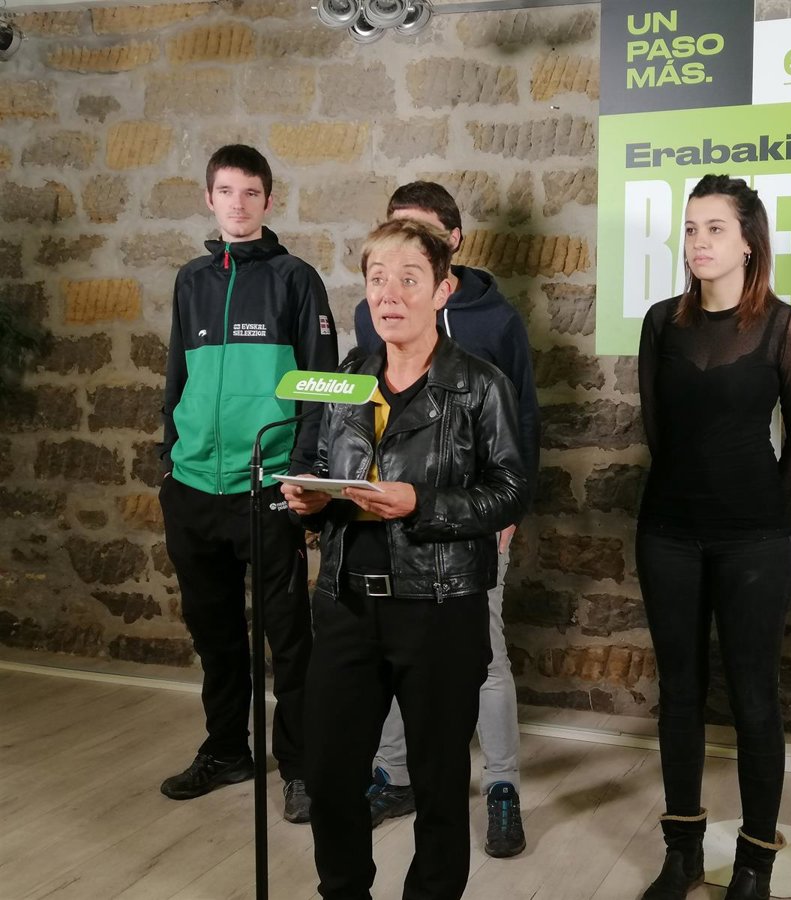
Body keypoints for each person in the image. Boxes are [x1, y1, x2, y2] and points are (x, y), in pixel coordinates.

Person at [283, 218, 529, 900]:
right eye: (377, 279)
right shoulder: (344, 380)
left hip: (440, 608)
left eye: (408, 279)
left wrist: (421, 502)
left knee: (439, 782)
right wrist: (310, 497)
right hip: (346, 603)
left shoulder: (480, 385)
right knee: (332, 773)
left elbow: (511, 490)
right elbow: (320, 464)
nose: (389, 294)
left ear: (443, 289)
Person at [636, 174, 791, 900]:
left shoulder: (783, 325)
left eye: (714, 228)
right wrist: (695, 498)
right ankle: (681, 853)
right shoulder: (661, 322)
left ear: (749, 243)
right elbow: (659, 431)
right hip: (668, 532)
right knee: (679, 693)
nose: (698, 241)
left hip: (756, 541)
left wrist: (760, 504)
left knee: (754, 699)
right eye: (690, 228)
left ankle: (754, 864)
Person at [353, 181, 539, 858]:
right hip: (386, 527)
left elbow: (522, 422)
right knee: (391, 652)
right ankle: (394, 773)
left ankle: (502, 784)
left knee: (484, 653)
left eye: (422, 237)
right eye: (393, 235)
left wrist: (508, 511)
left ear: (452, 247)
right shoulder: (371, 315)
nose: (400, 266)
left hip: (471, 524)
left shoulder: (497, 321)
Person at [157, 144, 337, 823]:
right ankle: (227, 749)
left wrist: (304, 475)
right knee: (216, 634)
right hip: (193, 489)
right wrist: (169, 459)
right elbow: (177, 376)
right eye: (226, 191)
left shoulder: (296, 279)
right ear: (209, 198)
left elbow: (320, 386)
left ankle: (301, 766)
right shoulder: (191, 281)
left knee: (288, 638)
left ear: (268, 200)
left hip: (267, 488)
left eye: (251, 192)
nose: (238, 203)